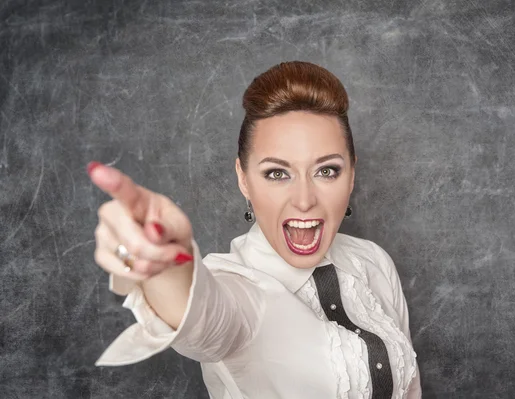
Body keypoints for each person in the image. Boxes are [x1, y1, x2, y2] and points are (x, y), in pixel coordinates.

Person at [88, 61, 421, 398]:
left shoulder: (374, 262)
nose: (304, 200)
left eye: (327, 171)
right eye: (277, 173)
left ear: (351, 175)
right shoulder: (235, 283)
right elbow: (206, 318)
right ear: (243, 179)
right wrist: (165, 262)